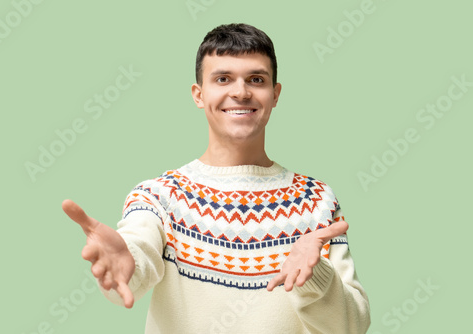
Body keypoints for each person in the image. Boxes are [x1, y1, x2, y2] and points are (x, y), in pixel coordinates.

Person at [62, 23, 370, 333]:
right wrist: (125, 265)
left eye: (256, 79)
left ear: (275, 95)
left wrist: (315, 274)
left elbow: (353, 327)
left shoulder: (316, 200)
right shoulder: (160, 196)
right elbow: (137, 257)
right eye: (223, 79)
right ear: (198, 94)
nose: (240, 91)